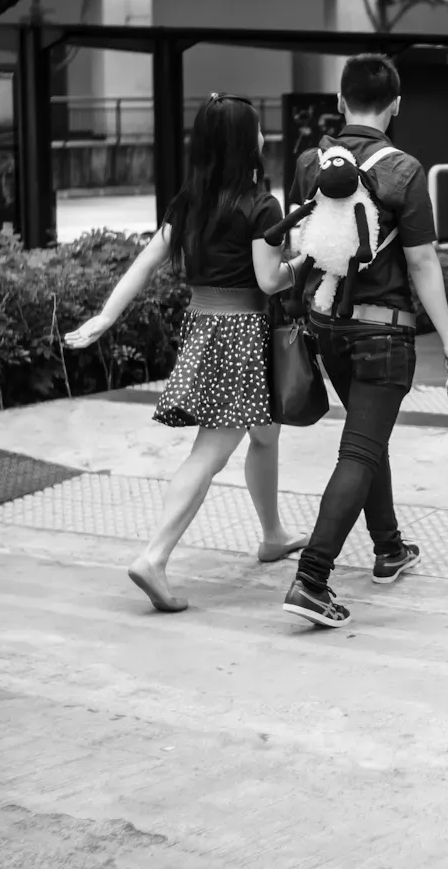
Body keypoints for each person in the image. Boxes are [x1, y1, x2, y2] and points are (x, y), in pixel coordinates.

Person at [65, 93, 307, 613]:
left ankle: (272, 535)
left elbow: (146, 261)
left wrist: (105, 316)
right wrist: (309, 258)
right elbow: (269, 280)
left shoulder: (190, 200)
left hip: (205, 327)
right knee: (210, 453)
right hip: (242, 334)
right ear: (244, 142)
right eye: (257, 128)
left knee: (265, 433)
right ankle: (153, 557)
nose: (262, 135)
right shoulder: (260, 205)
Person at [279, 54, 448, 629]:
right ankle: (312, 579)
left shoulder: (310, 162)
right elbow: (422, 261)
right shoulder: (404, 170)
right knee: (361, 450)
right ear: (396, 105)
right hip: (383, 333)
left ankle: (388, 547)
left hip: (327, 328)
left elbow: (299, 242)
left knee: (367, 435)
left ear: (340, 102)